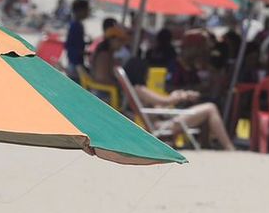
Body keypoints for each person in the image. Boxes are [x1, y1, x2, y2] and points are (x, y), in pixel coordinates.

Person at [91, 28, 235, 150]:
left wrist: (178, 94)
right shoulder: (140, 90)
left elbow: (162, 102)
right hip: (163, 126)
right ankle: (229, 148)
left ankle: (209, 145)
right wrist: (183, 95)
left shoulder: (136, 91)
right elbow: (166, 101)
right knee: (210, 107)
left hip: (162, 121)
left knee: (208, 107)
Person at [64, 0, 90, 78]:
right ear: (80, 10)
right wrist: (83, 52)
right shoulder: (76, 26)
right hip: (75, 63)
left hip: (75, 62)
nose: (88, 12)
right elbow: (69, 45)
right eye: (86, 10)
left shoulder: (76, 24)